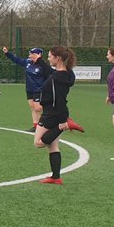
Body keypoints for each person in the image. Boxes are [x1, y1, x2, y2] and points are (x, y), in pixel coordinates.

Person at [34, 46, 79, 185]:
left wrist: (46, 107)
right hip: (59, 112)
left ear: (58, 58)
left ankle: (64, 126)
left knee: (39, 143)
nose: (48, 58)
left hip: (52, 113)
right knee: (53, 146)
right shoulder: (67, 74)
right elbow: (51, 72)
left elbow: (56, 97)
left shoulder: (56, 78)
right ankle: (56, 177)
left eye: (50, 56)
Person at [2, 46, 47, 131]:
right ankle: (36, 126)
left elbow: (48, 77)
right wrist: (7, 53)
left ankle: (52, 117)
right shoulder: (28, 62)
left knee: (38, 108)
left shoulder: (43, 66)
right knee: (32, 107)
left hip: (39, 90)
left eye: (32, 53)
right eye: (30, 53)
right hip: (29, 89)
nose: (30, 55)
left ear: (39, 55)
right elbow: (17, 60)